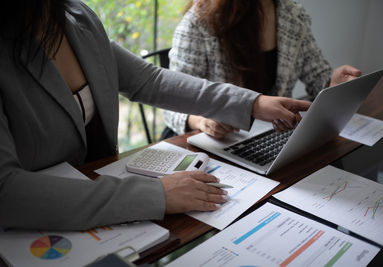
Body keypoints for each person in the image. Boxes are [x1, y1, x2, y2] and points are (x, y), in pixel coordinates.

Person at [0, 0, 312, 230]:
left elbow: (151, 80)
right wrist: (156, 194)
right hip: (41, 231)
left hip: (109, 220)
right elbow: (7, 192)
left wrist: (252, 103)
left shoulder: (78, 18)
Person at [163, 0, 361, 138]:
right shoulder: (200, 21)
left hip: (271, 134)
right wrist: (201, 121)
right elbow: (172, 103)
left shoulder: (293, 16)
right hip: (213, 141)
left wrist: (332, 82)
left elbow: (317, 77)